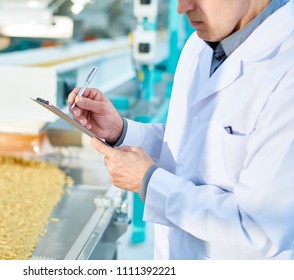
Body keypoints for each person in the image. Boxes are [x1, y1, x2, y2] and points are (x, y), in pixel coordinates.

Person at [68, 0, 294, 260]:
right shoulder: (201, 43)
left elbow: (260, 230)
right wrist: (122, 131)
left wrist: (150, 183)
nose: (182, 7)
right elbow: (194, 141)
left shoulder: (286, 70)